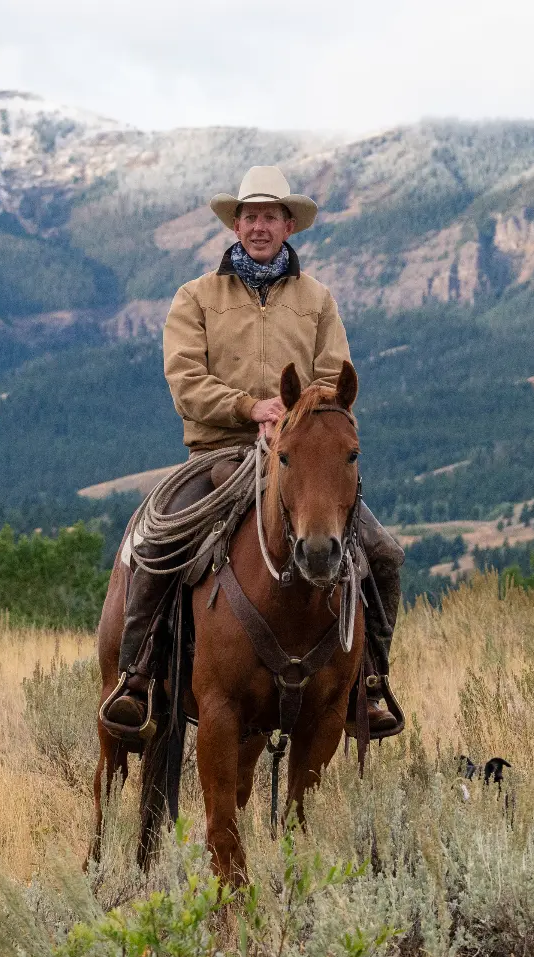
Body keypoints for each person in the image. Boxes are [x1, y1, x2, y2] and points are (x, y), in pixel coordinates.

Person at [102, 165, 404, 738]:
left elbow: (334, 377)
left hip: (299, 458)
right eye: (250, 216)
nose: (259, 226)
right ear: (235, 223)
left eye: (270, 216)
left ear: (289, 225)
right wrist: (250, 408)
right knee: (157, 541)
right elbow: (185, 378)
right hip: (219, 453)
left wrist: (296, 422)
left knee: (382, 555)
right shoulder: (197, 297)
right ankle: (137, 676)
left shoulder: (317, 299)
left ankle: (366, 682)